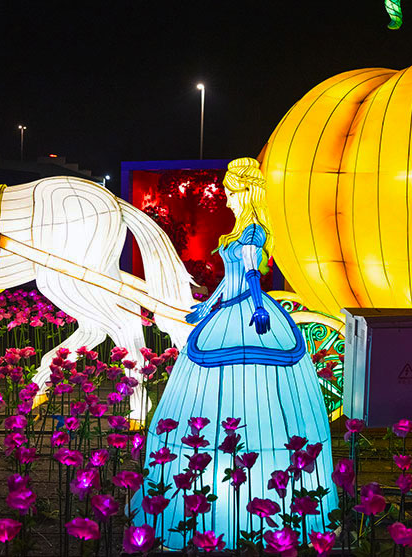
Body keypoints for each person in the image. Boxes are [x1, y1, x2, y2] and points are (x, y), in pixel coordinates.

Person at [131, 157, 337, 548]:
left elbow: (252, 276)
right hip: (228, 308)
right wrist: (205, 307)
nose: (226, 197)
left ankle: (256, 500)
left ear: (243, 191)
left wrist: (259, 308)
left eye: (230, 189)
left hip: (251, 311)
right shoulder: (238, 230)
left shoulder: (254, 231)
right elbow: (230, 280)